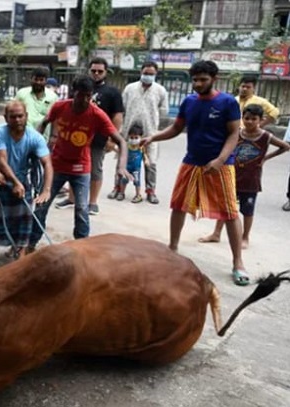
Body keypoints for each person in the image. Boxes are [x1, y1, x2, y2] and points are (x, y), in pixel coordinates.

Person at [142, 60, 249, 286]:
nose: (198, 84)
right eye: (195, 80)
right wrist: (153, 136)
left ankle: (238, 262)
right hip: (191, 162)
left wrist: (220, 160)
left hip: (220, 166)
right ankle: (172, 249)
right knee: (178, 205)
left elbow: (234, 135)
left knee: (230, 212)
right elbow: (176, 128)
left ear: (214, 78)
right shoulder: (188, 102)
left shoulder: (228, 102)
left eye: (203, 80)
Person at [30, 75, 129, 247]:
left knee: (82, 209)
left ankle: (82, 247)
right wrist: (37, 146)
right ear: (72, 93)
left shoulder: (97, 114)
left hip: (81, 169)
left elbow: (121, 141)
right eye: (80, 95)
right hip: (56, 166)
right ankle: (30, 243)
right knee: (41, 205)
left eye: (88, 96)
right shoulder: (60, 107)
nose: (84, 100)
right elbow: (44, 122)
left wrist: (121, 166)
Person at [198, 104, 289, 248]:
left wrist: (265, 158)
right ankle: (216, 233)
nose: (250, 122)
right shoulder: (236, 134)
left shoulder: (265, 136)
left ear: (261, 120)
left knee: (248, 209)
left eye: (254, 119)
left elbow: (285, 146)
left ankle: (245, 237)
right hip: (232, 176)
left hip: (251, 179)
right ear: (242, 118)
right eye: (247, 118)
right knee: (226, 206)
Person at [0, 101, 54, 259]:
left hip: (23, 178)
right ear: (5, 118)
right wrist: (12, 181)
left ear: (26, 117)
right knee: (2, 215)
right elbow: (1, 160)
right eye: (13, 117)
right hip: (0, 176)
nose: (17, 120)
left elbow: (47, 164)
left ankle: (20, 251)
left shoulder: (36, 138)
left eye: (20, 116)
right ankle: (13, 245)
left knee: (25, 215)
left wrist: (46, 190)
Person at [56, 58, 124, 216]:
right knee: (74, 168)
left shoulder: (112, 92)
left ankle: (92, 202)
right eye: (93, 71)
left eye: (100, 71)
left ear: (106, 72)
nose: (97, 74)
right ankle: (72, 199)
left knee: (95, 170)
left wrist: (111, 139)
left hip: (99, 139)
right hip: (76, 137)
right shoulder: (79, 89)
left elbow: (117, 116)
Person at [110, 61, 168, 204]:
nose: (148, 76)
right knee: (122, 161)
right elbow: (122, 108)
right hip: (128, 132)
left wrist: (157, 130)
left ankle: (150, 192)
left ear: (156, 74)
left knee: (151, 164)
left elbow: (163, 112)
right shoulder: (130, 88)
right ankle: (117, 188)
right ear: (140, 72)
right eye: (145, 73)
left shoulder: (160, 91)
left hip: (150, 134)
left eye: (151, 74)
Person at [14, 67, 58, 139]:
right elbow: (13, 112)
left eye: (41, 80)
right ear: (31, 79)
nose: (38, 82)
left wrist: (53, 137)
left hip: (43, 138)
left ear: (46, 81)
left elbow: (55, 119)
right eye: (36, 79)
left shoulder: (53, 97)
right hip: (23, 137)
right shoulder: (21, 93)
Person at [114, 123, 149, 203]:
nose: (133, 139)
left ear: (141, 137)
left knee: (137, 181)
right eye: (131, 137)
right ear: (128, 137)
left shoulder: (141, 147)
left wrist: (146, 160)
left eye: (136, 137)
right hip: (127, 167)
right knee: (123, 180)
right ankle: (121, 193)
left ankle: (138, 195)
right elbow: (121, 152)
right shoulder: (126, 146)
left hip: (136, 168)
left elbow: (145, 155)